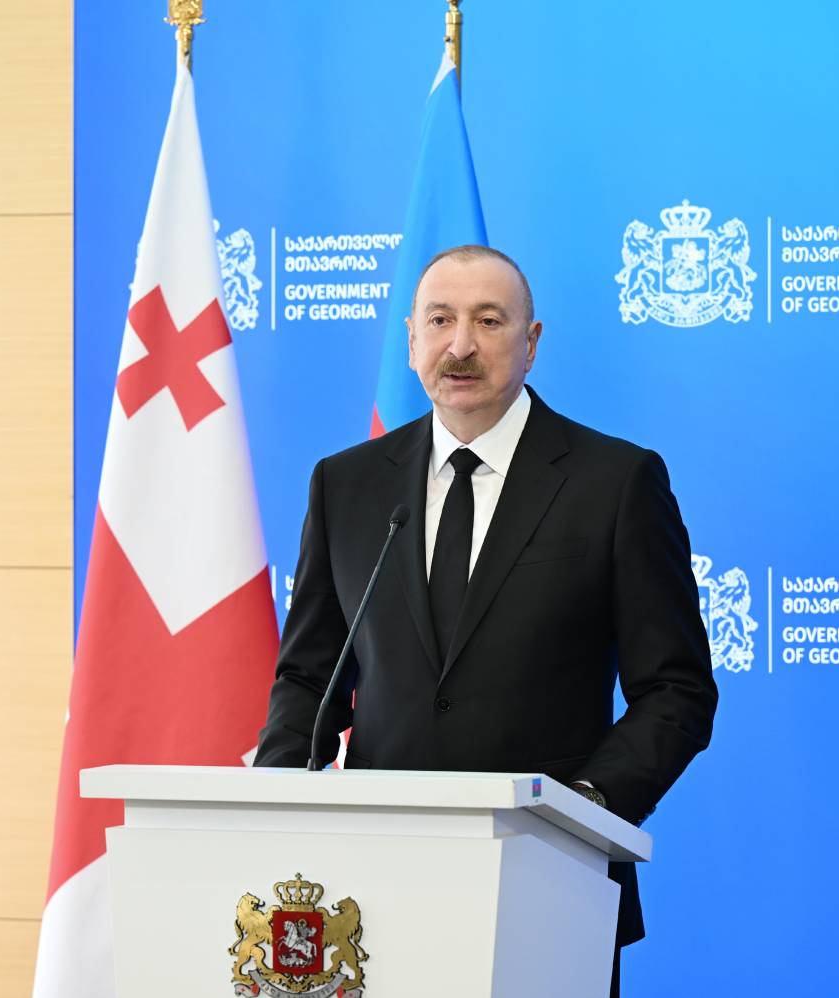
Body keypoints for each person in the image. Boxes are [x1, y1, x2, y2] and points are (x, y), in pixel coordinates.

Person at [254, 245, 718, 996]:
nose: (461, 345)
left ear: (531, 343)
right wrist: (273, 804)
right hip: (369, 893)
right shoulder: (346, 485)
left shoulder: (616, 482)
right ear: (412, 340)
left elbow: (677, 690)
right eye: (440, 320)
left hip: (553, 881)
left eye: (489, 321)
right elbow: (310, 677)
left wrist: (582, 810)